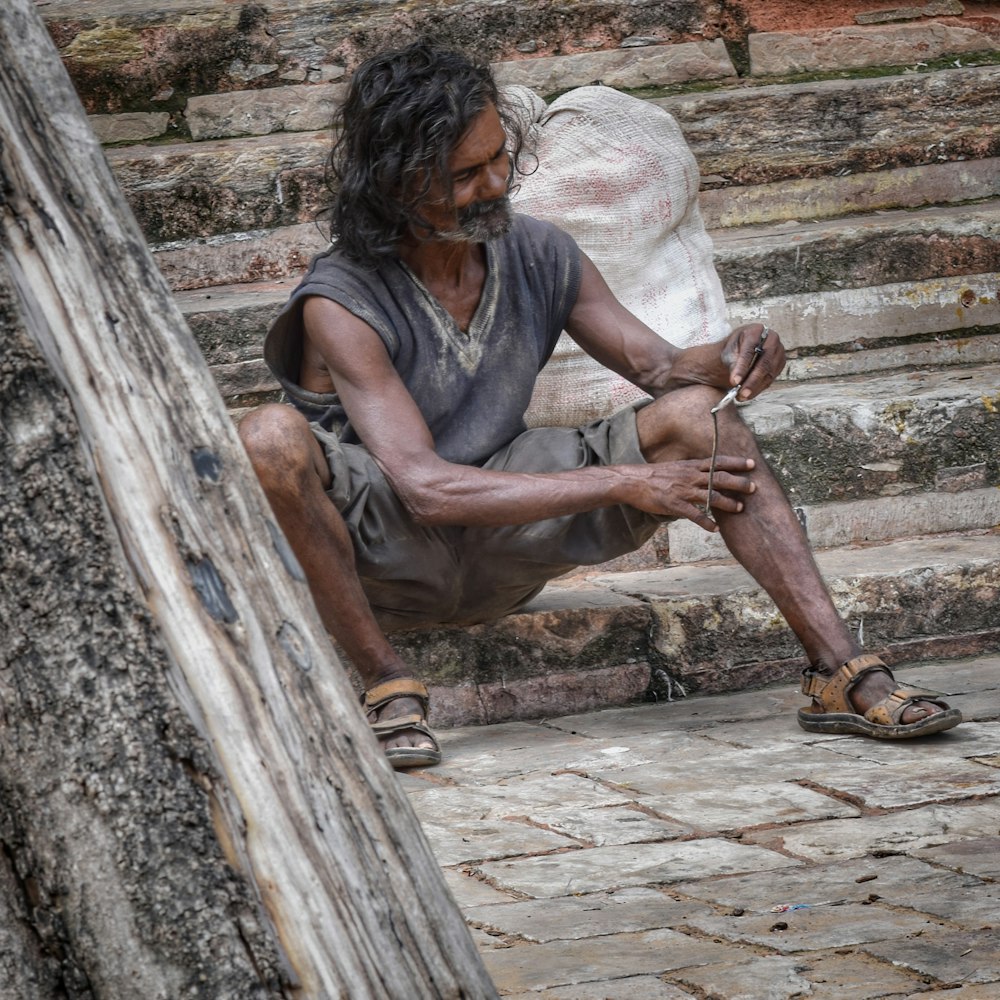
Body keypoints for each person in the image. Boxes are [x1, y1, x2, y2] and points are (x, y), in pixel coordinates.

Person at [239, 41, 961, 769]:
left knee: (695, 413)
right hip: (384, 554)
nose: (494, 185)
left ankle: (840, 673)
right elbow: (425, 489)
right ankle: (386, 682)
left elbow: (661, 367)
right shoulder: (342, 300)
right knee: (268, 438)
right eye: (463, 174)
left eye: (499, 160)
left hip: (503, 540)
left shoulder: (542, 250)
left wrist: (731, 351)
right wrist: (627, 482)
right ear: (396, 182)